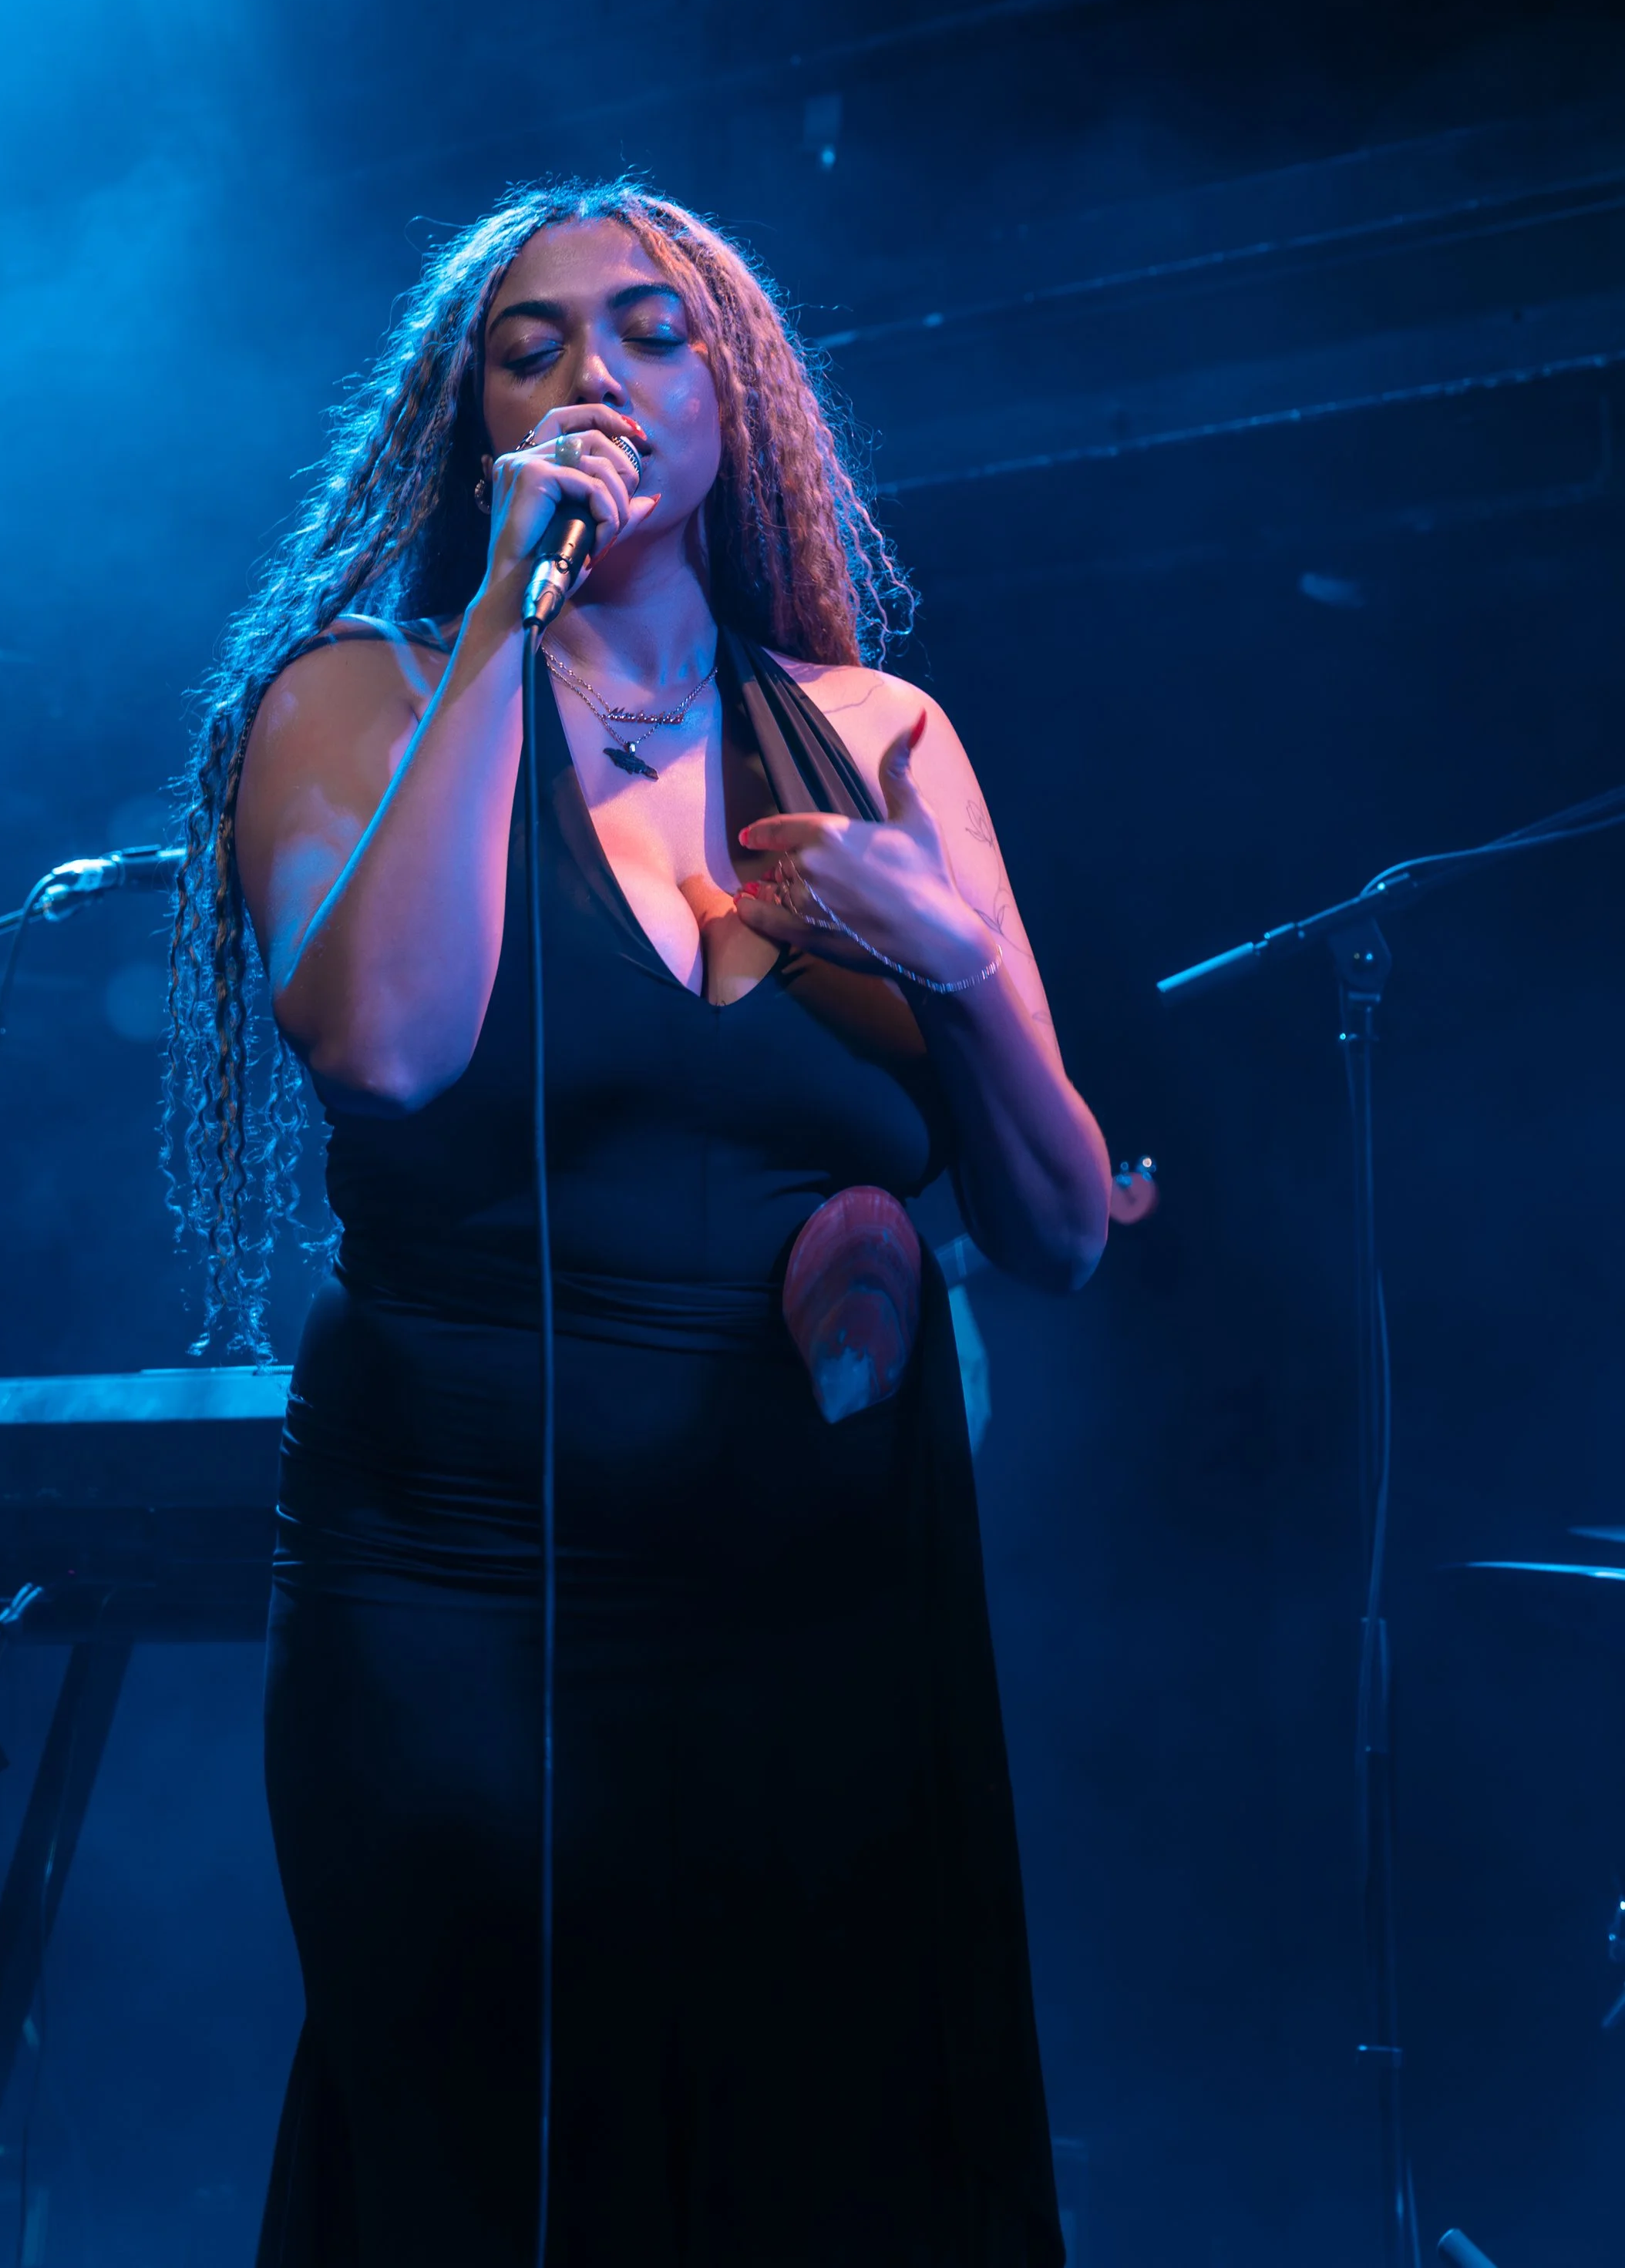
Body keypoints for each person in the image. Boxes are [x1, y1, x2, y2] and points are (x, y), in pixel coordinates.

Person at [167, 182, 1110, 2268]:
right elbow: (392, 1048)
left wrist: (951, 956)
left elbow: (1055, 1227)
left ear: (736, 389)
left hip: (819, 1590)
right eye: (534, 341)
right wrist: (512, 603)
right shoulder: (356, 693)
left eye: (653, 326)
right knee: (485, 2161)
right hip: (461, 1588)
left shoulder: (879, 743)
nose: (598, 367)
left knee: (824, 2163)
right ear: (465, 417)